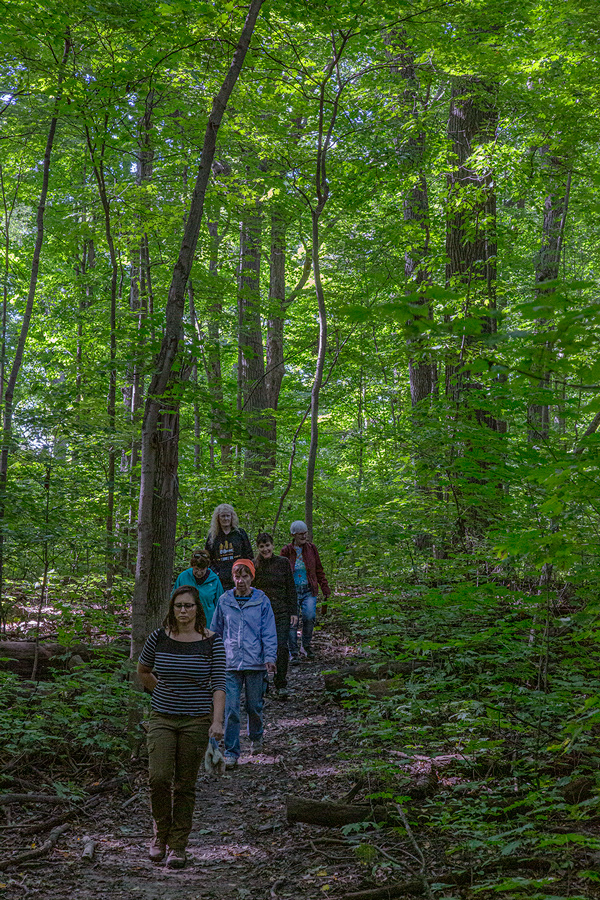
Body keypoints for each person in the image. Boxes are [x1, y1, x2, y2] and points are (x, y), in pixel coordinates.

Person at [137, 585, 226, 869]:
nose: (183, 611)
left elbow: (219, 685)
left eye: (188, 606)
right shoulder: (158, 638)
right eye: (179, 606)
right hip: (162, 717)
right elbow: (143, 670)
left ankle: (178, 846)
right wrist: (159, 690)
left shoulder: (212, 641)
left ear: (197, 608)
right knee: (159, 778)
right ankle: (159, 836)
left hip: (196, 720)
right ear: (171, 609)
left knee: (185, 785)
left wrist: (217, 721)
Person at [210, 559, 277, 768]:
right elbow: (215, 631)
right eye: (237, 576)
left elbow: (268, 631)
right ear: (232, 578)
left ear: (252, 577)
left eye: (245, 576)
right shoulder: (224, 601)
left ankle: (256, 736)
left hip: (255, 662)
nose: (241, 581)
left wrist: (270, 657)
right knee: (230, 710)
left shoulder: (262, 600)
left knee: (254, 706)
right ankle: (231, 752)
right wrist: (213, 658)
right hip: (229, 664)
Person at [252, 532, 298, 700]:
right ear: (258, 548)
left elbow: (290, 588)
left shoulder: (283, 563)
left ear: (273, 545)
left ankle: (281, 683)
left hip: (281, 611)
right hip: (260, 614)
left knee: (281, 646)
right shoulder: (254, 565)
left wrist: (294, 611)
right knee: (260, 647)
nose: (265, 549)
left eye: (267, 545)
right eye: (262, 546)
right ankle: (263, 682)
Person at [281, 520, 331, 662]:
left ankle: (307, 646)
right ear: (293, 535)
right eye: (300, 534)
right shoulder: (286, 551)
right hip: (292, 591)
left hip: (309, 590)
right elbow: (281, 571)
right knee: (292, 621)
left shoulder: (312, 549)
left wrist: (325, 587)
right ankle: (293, 652)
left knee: (309, 618)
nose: (303, 536)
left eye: (305, 533)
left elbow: (319, 570)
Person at [205, 503, 252, 591]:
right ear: (218, 518)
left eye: (228, 516)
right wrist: (216, 573)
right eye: (223, 516)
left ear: (232, 517)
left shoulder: (240, 534)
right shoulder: (213, 536)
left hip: (239, 578)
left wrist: (244, 572)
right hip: (220, 580)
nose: (225, 518)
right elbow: (208, 558)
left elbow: (248, 554)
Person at [172, 548, 223, 624]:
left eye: (202, 569)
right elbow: (174, 599)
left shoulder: (214, 580)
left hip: (208, 623)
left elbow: (220, 603)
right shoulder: (183, 577)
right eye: (196, 569)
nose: (199, 573)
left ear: (207, 567)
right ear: (192, 566)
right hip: (186, 622)